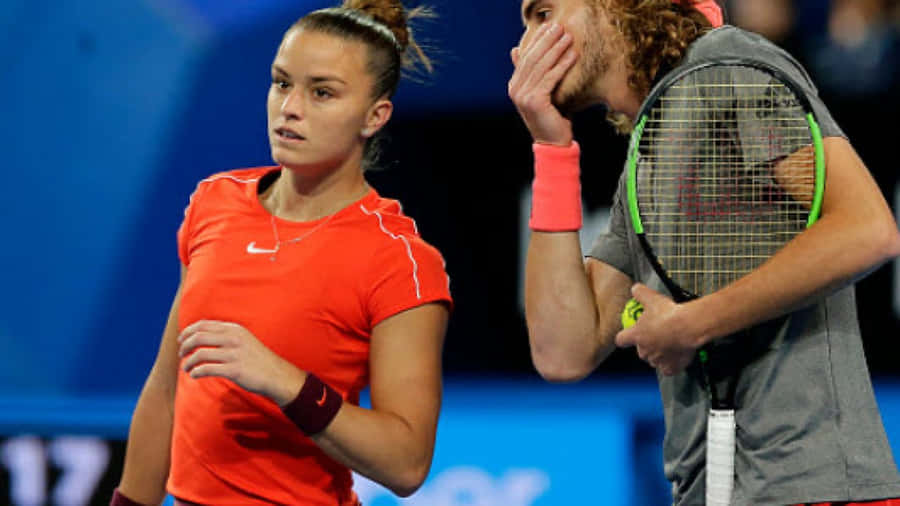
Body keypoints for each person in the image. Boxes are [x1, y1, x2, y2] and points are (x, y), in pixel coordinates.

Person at [508, 0, 900, 504]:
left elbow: (866, 229)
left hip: (811, 486)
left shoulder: (727, 63)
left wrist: (692, 324)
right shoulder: (645, 159)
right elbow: (564, 350)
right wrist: (551, 150)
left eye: (542, 14)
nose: (525, 48)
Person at [111, 1, 452, 504]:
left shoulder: (400, 260)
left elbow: (407, 463)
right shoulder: (215, 202)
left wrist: (284, 381)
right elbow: (167, 387)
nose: (290, 107)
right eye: (281, 82)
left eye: (322, 93)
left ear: (374, 116)